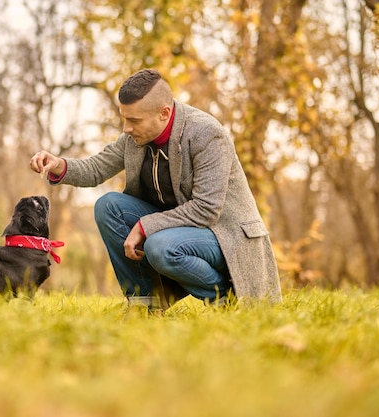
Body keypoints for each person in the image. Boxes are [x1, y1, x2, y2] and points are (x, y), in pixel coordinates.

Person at [29, 69, 281, 309]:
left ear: (164, 113)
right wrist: (58, 165)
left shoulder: (207, 134)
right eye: (124, 119)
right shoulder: (135, 137)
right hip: (176, 229)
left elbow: (206, 210)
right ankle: (145, 303)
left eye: (133, 120)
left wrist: (144, 226)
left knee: (159, 245)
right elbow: (97, 168)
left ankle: (224, 299)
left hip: (224, 235)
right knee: (109, 206)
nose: (126, 128)